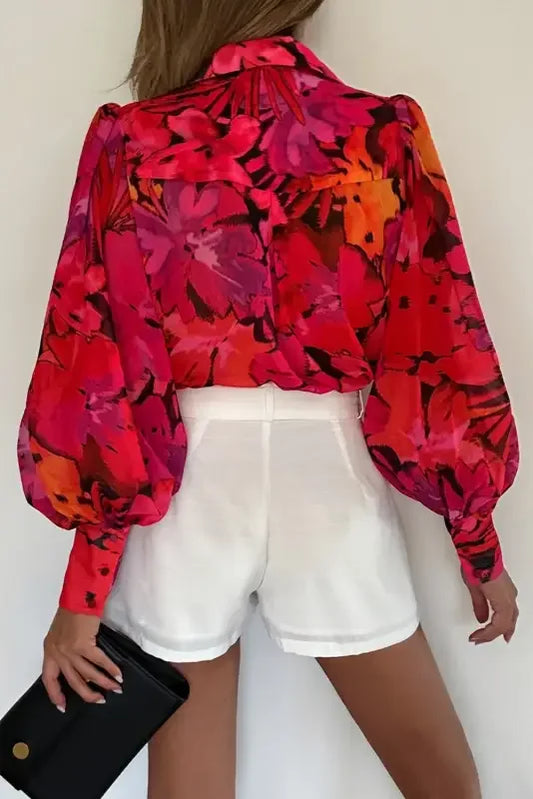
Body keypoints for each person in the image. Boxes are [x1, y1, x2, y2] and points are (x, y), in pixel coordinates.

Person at [17, 0, 520, 797]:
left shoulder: (132, 139)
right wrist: (475, 539)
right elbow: (438, 344)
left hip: (187, 492)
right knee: (445, 784)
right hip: (327, 473)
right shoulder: (381, 133)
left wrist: (84, 590)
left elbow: (98, 364)